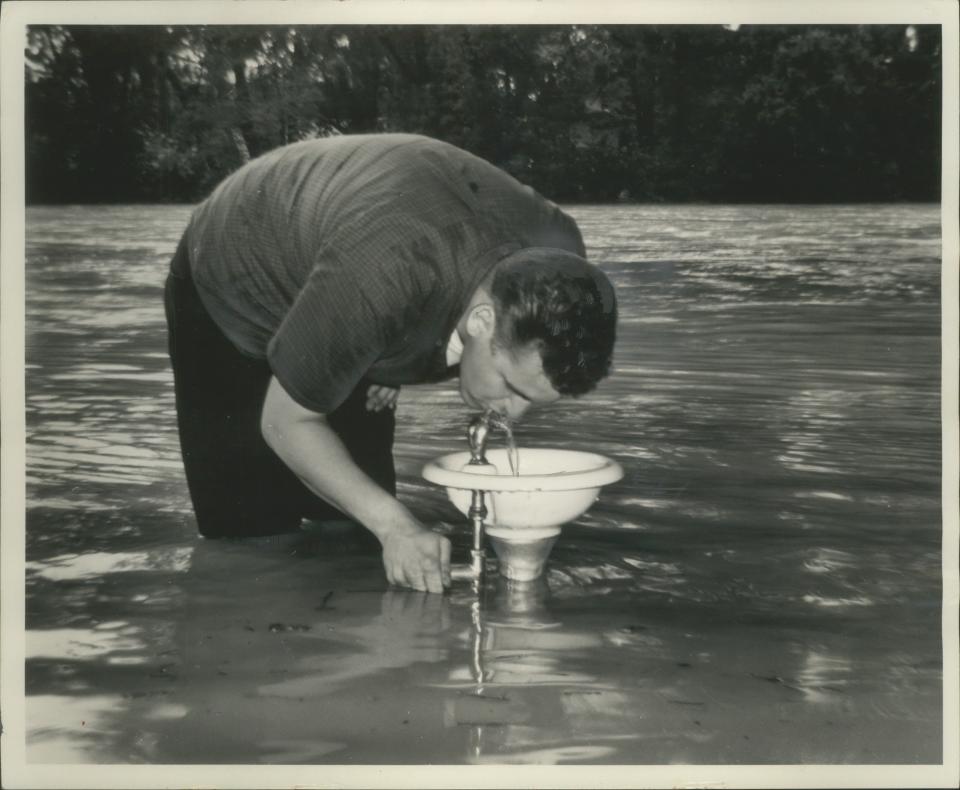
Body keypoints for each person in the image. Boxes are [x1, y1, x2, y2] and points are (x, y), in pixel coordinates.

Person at [164, 133, 617, 594]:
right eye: (511, 388)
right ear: (482, 319)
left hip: (361, 257)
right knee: (256, 541)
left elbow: (430, 295)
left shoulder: (561, 261)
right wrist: (395, 528)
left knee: (348, 527)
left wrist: (406, 356)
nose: (512, 414)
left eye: (535, 401)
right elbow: (285, 423)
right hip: (232, 273)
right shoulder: (382, 281)